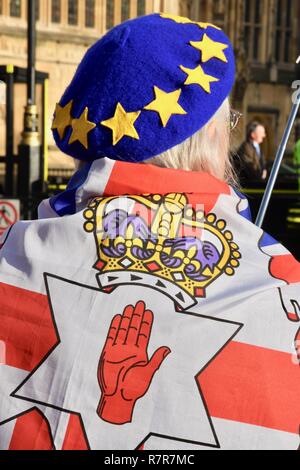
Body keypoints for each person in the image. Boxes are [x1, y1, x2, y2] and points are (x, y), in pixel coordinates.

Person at [0, 13, 299, 451]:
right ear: (208, 135)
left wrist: (117, 410)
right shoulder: (283, 290)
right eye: (228, 122)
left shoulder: (11, 259)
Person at [236, 121, 267, 186]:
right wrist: (261, 176)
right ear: (253, 134)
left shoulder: (258, 147)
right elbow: (250, 169)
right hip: (249, 185)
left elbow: (262, 164)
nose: (264, 135)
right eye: (261, 133)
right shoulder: (246, 148)